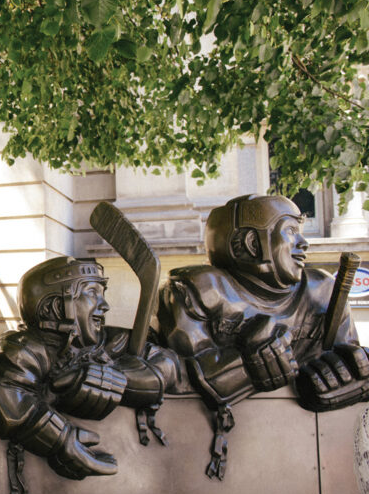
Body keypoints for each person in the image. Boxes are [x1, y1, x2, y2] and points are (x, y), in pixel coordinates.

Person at [157, 194, 369, 478]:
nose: (303, 243)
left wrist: (352, 375)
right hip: (215, 464)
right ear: (250, 243)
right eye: (291, 230)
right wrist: (245, 367)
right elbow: (181, 379)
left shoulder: (323, 291)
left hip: (311, 461)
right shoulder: (197, 290)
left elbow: (351, 363)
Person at [0, 257, 179, 494]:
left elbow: (168, 365)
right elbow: (12, 397)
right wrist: (61, 440)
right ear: (55, 307)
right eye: (92, 293)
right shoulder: (22, 350)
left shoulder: (113, 342)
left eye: (102, 294)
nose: (104, 305)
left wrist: (113, 378)